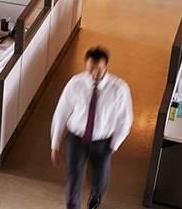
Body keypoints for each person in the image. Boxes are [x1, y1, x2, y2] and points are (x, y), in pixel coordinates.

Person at [50, 47, 133, 209]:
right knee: (74, 180)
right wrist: (55, 144)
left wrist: (114, 145)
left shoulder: (119, 89)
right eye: (90, 70)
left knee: (100, 181)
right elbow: (61, 112)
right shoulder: (76, 83)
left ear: (107, 67)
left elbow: (126, 120)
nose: (94, 75)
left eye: (99, 70)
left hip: (103, 142)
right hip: (76, 138)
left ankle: (95, 196)